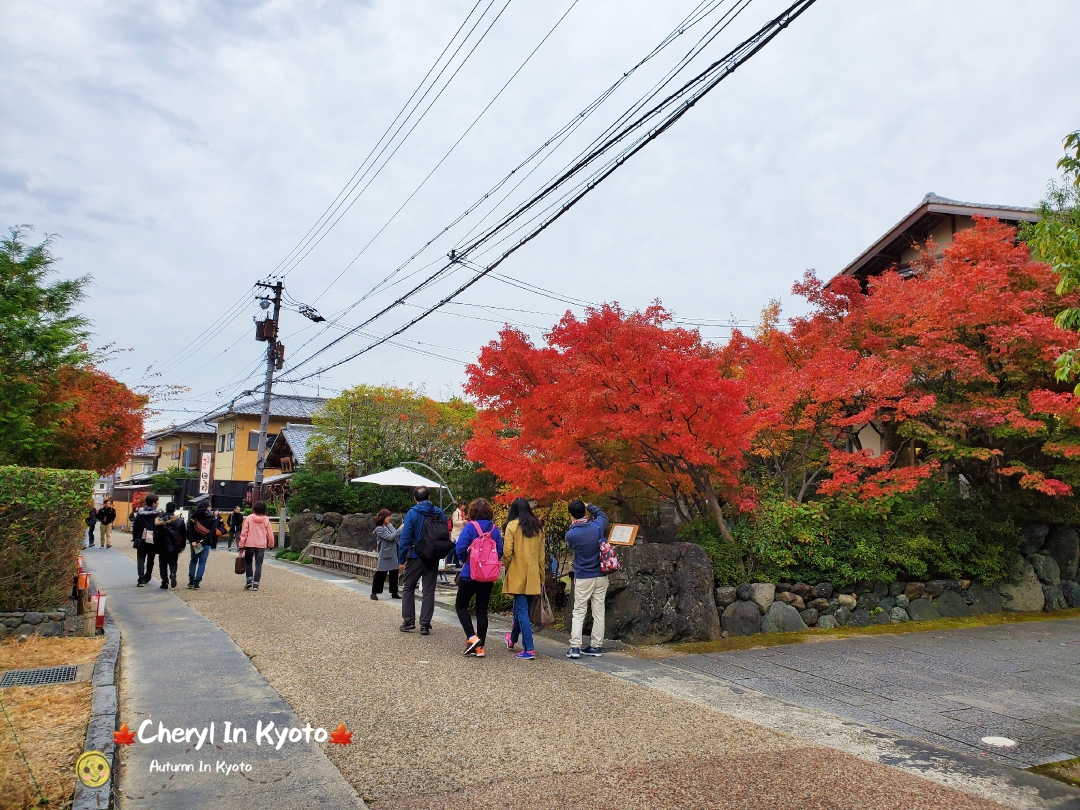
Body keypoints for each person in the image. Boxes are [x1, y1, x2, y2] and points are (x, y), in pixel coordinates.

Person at [454, 498, 503, 658]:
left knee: (461, 606)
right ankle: (480, 648)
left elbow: (460, 548)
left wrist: (466, 560)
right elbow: (500, 551)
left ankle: (472, 637)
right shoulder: (494, 530)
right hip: (487, 575)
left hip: (470, 573)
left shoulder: (470, 527)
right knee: (482, 611)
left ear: (473, 512)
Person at [397, 486, 449, 635]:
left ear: (415, 499)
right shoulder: (439, 512)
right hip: (432, 555)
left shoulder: (412, 513)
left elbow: (405, 537)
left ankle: (408, 621)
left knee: (408, 587)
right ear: (429, 497)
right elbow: (444, 533)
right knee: (428, 590)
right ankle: (425, 624)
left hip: (415, 555)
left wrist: (402, 558)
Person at [564, 500, 610, 659]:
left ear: (571, 515)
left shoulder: (571, 534)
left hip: (584, 576)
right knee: (599, 611)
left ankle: (575, 646)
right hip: (601, 575)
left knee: (579, 611)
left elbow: (571, 545)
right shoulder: (597, 527)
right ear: (585, 512)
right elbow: (602, 515)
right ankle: (596, 645)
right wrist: (589, 505)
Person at [501, 498, 545, 660]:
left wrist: (507, 566)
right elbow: (541, 556)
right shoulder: (538, 527)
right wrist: (542, 576)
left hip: (517, 572)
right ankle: (512, 639)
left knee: (521, 611)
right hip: (533, 574)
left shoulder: (512, 526)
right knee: (520, 609)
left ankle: (529, 648)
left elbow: (507, 552)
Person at [239, 500, 274, 591]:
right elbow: (270, 533)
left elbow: (244, 532)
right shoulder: (266, 519)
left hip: (249, 544)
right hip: (261, 545)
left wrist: (241, 545)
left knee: (248, 562)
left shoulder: (249, 518)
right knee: (259, 564)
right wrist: (271, 544)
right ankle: (256, 584)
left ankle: (249, 581)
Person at [131, 494, 163, 586]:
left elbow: (136, 526)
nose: (158, 502)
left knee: (141, 558)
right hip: (153, 538)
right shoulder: (159, 513)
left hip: (141, 538)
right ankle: (147, 576)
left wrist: (135, 538)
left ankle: (141, 578)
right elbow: (161, 528)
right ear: (154, 503)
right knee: (151, 558)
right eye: (157, 501)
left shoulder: (140, 513)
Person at [371, 509, 402, 600]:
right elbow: (390, 537)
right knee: (380, 573)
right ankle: (374, 592)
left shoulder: (390, 525)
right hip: (385, 553)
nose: (389, 518)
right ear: (383, 517)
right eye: (388, 516)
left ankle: (394, 592)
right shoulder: (379, 529)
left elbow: (395, 535)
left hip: (393, 552)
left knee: (394, 573)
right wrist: (400, 529)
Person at [155, 502, 186, 589]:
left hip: (163, 544)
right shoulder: (179, 520)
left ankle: (164, 582)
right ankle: (173, 573)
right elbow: (183, 534)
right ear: (174, 509)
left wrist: (156, 545)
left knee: (163, 564)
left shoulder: (160, 520)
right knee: (173, 562)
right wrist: (182, 546)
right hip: (175, 544)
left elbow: (156, 534)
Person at [187, 501, 216, 589]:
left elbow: (189, 530)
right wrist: (204, 540)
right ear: (207, 507)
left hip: (194, 543)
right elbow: (212, 532)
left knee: (193, 561)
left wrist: (192, 541)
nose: (210, 508)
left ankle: (191, 581)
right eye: (210, 506)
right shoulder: (212, 517)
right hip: (206, 543)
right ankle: (197, 582)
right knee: (202, 562)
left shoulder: (193, 516)